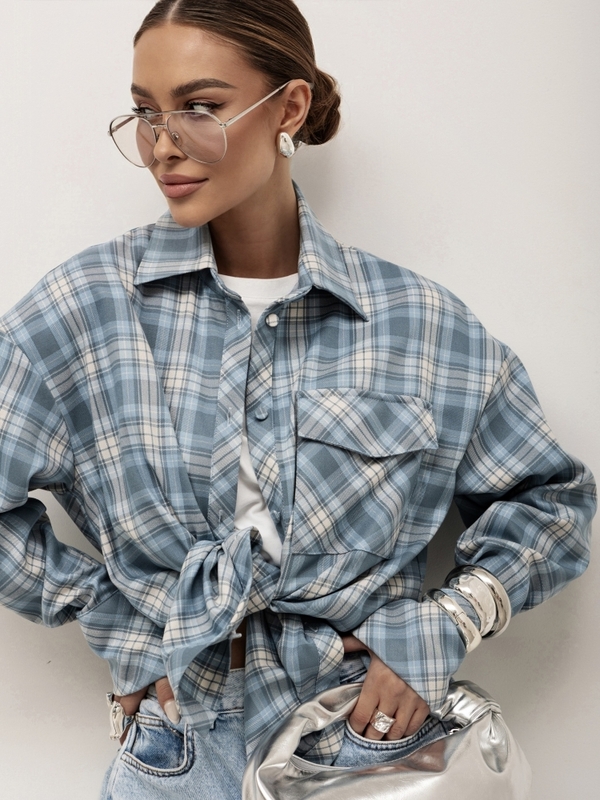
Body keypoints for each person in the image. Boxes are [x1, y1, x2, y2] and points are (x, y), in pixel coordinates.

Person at [0, 1, 594, 798]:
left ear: (289, 107)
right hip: (178, 749)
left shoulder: (420, 327)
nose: (162, 145)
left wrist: (446, 622)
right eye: (144, 112)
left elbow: (553, 502)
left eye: (199, 107)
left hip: (369, 745)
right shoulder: (85, 310)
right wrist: (119, 627)